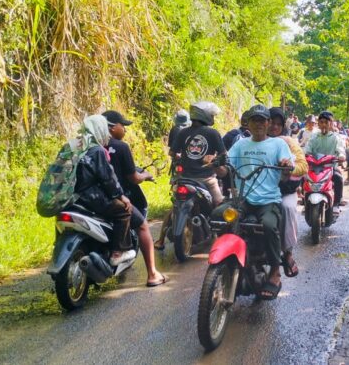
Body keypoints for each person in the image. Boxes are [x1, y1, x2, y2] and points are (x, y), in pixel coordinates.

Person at [228, 105, 295, 300]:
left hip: (268, 199)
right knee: (219, 216)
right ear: (247, 123)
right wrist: (217, 164)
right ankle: (227, 260)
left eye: (262, 120)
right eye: (254, 120)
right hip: (243, 198)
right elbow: (226, 168)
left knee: (268, 225)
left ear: (268, 123)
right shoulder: (240, 144)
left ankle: (275, 270)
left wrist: (285, 166)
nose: (258, 124)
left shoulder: (278, 144)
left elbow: (287, 170)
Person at [102, 110, 166, 286]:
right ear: (112, 127)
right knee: (143, 226)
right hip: (116, 197)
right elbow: (133, 178)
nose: (124, 129)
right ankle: (152, 274)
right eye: (123, 125)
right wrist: (145, 175)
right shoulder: (121, 147)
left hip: (90, 198)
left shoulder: (89, 145)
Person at [154, 101, 226, 250]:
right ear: (205, 115)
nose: (213, 117)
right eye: (212, 115)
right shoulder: (213, 133)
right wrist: (214, 160)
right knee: (219, 205)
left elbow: (172, 152)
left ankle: (160, 240)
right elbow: (224, 155)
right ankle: (221, 239)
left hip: (184, 178)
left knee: (175, 206)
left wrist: (183, 158)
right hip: (206, 179)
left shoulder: (183, 132)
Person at [72, 115, 135, 266]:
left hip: (71, 197)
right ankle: (118, 252)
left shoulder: (74, 146)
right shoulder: (96, 150)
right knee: (124, 211)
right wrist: (121, 196)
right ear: (99, 130)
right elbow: (108, 178)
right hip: (90, 197)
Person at [269, 107, 308, 278]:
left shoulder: (289, 142)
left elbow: (303, 165)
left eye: (278, 124)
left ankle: (288, 252)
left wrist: (290, 168)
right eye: (271, 122)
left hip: (284, 191)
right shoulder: (253, 141)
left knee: (287, 208)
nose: (274, 127)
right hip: (258, 190)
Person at [304, 111, 346, 210]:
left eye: (326, 123)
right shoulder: (314, 137)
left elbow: (340, 149)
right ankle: (304, 199)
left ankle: (337, 202)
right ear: (318, 124)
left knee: (338, 178)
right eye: (321, 122)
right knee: (303, 176)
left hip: (330, 167)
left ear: (330, 124)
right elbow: (307, 148)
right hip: (314, 167)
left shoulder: (335, 138)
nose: (323, 125)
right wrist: (303, 154)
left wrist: (341, 156)